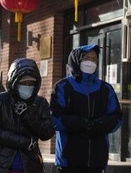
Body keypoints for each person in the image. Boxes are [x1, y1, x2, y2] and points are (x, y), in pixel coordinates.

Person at [50, 44, 123, 173]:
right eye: (86, 58)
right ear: (76, 60)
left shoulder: (106, 89)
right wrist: (80, 124)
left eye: (94, 59)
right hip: (69, 161)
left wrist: (98, 124)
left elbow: (117, 118)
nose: (91, 62)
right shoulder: (63, 87)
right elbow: (54, 118)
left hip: (97, 161)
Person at [0, 58, 55, 173]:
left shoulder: (40, 103)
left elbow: (47, 133)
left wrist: (28, 116)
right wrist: (25, 143)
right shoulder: (0, 100)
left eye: (31, 83)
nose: (27, 86)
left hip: (31, 164)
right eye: (23, 83)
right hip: (1, 163)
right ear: (14, 81)